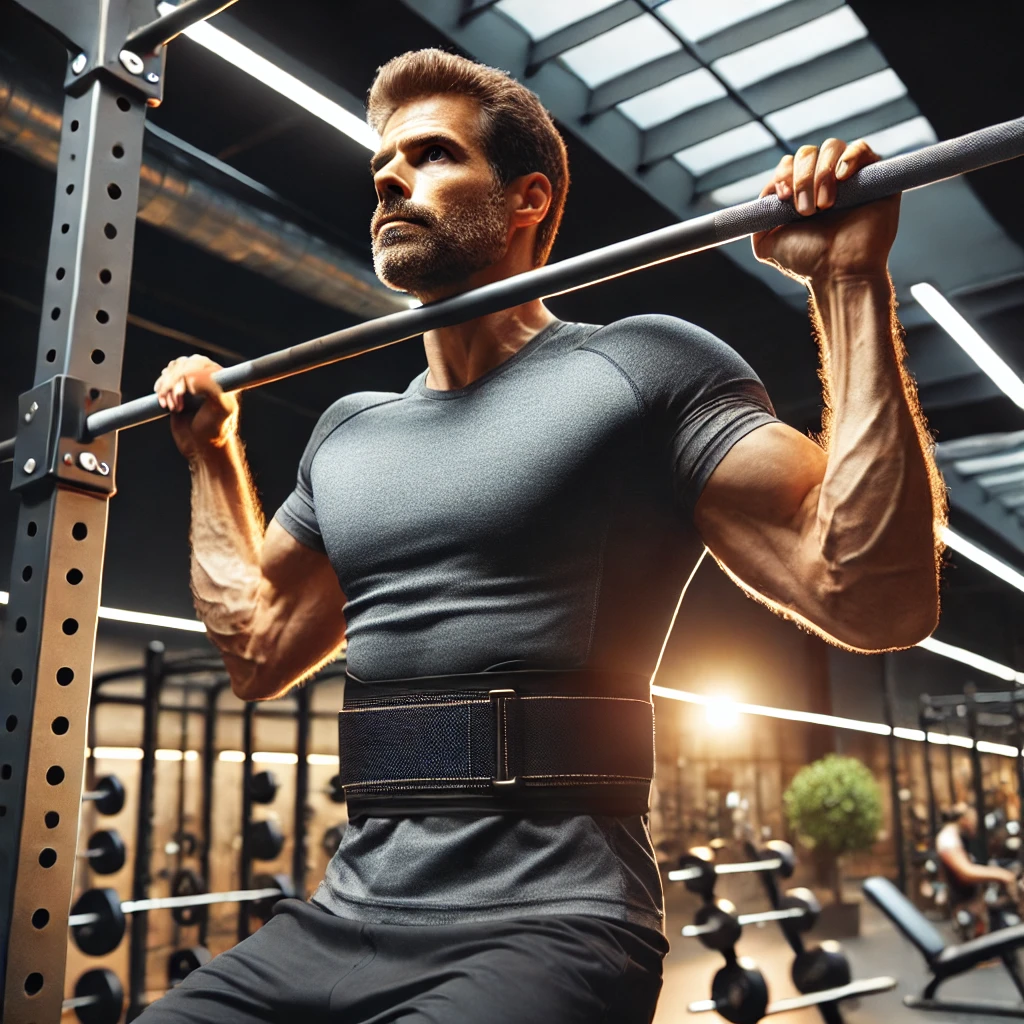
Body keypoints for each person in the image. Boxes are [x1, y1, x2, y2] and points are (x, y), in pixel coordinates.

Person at [144, 49, 941, 1024]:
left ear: (527, 199)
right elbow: (257, 653)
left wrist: (849, 283)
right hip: (341, 917)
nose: (389, 176)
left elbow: (872, 595)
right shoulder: (349, 431)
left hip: (553, 923)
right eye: (382, 164)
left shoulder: (642, 367)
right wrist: (211, 455)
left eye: (432, 155)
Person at [937, 804, 1020, 935]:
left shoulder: (957, 837)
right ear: (964, 819)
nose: (975, 825)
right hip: (965, 908)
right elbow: (966, 872)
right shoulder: (948, 838)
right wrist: (1002, 875)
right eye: (973, 819)